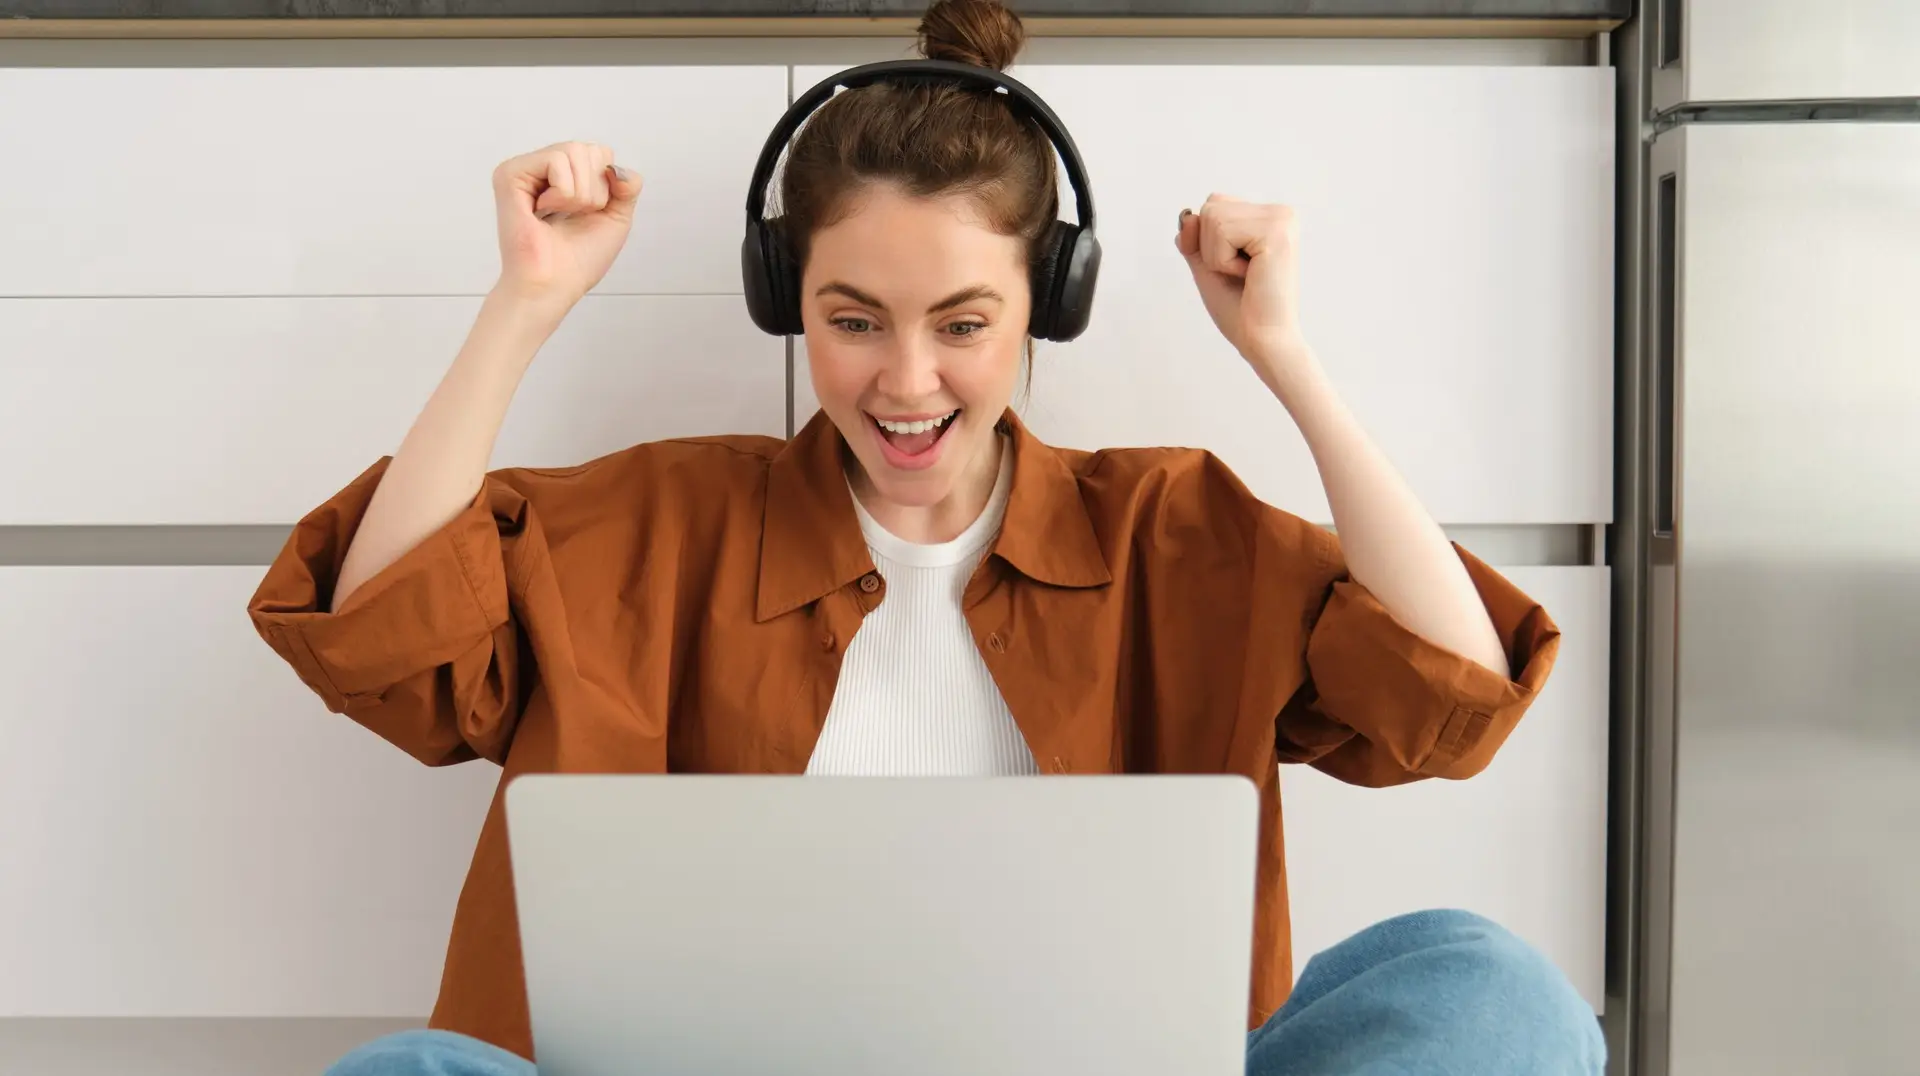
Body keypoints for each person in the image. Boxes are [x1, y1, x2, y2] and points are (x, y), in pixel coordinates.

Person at [248, 0, 1604, 1072]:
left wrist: (1286, 357)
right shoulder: (656, 521)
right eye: (852, 320)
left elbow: (1455, 696)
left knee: (1487, 988)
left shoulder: (1172, 532)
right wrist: (523, 305)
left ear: (1046, 305)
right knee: (411, 1073)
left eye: (963, 323)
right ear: (791, 302)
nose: (905, 382)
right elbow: (379, 641)